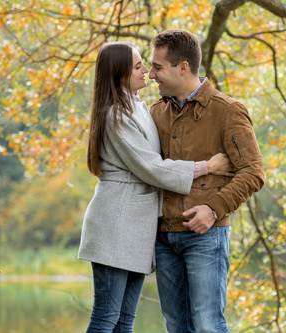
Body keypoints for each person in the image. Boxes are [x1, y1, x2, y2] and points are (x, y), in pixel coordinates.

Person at [78, 41, 233, 333]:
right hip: (117, 223)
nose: (147, 72)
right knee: (106, 317)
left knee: (125, 320)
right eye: (138, 66)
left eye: (145, 65)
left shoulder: (137, 107)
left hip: (136, 228)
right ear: (119, 72)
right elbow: (152, 167)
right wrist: (208, 166)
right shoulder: (116, 115)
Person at [148, 29, 265, 333]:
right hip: (163, 237)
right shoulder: (155, 112)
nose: (151, 75)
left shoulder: (227, 111)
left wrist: (212, 210)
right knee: (176, 327)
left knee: (208, 326)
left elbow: (253, 172)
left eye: (157, 67)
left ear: (182, 67)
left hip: (207, 238)